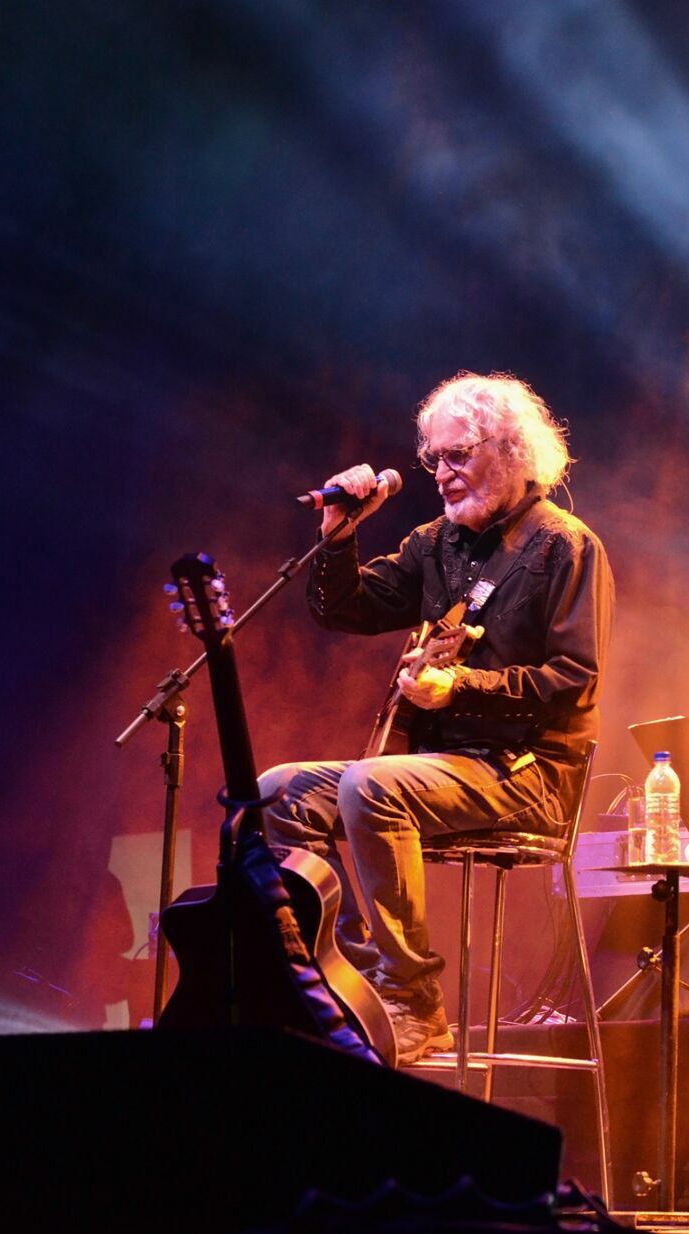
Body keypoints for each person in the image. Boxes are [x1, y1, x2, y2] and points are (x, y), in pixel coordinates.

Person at [258, 371, 613, 1064]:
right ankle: (348, 981)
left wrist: (463, 689)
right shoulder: (436, 545)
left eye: (458, 456)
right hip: (441, 770)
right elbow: (345, 609)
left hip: (526, 774)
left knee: (371, 784)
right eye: (435, 459)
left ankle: (413, 997)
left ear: (511, 451)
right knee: (278, 791)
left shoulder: (565, 547)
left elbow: (576, 680)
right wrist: (337, 539)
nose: (442, 475)